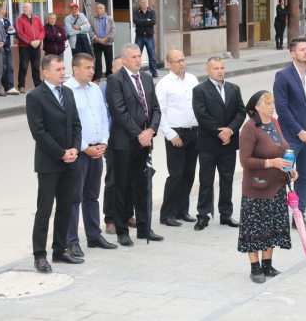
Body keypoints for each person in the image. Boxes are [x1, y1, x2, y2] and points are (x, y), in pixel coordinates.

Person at [26, 55, 83, 273]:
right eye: (58, 69)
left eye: (63, 68)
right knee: (44, 210)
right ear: (45, 72)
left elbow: (76, 124)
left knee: (65, 208)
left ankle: (59, 251)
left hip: (70, 161)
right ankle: (40, 256)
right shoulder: (35, 97)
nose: (62, 72)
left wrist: (75, 149)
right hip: (49, 164)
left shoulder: (67, 92)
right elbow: (39, 132)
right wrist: (61, 153)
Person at [105, 43, 163, 246]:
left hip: (145, 142)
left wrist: (151, 131)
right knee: (122, 187)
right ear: (123, 60)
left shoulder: (146, 78)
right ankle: (122, 230)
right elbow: (119, 112)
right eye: (133, 57)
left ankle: (144, 228)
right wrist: (140, 134)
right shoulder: (115, 80)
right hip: (123, 143)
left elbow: (155, 108)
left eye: (139, 56)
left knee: (143, 186)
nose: (138, 60)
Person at [238, 91, 299, 283]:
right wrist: (271, 163)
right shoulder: (250, 129)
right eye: (268, 103)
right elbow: (245, 161)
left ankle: (267, 265)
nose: (272, 106)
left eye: (273, 102)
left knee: (271, 227)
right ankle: (255, 268)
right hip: (256, 188)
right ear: (257, 106)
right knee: (254, 229)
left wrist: (290, 170)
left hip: (276, 187)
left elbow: (282, 151)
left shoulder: (274, 123)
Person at [63, 53, 117, 257]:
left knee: (92, 196)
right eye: (87, 67)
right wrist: (85, 147)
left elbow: (104, 118)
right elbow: (68, 126)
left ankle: (94, 236)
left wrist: (104, 142)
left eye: (93, 67)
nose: (92, 71)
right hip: (80, 152)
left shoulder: (95, 89)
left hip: (98, 149)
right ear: (75, 69)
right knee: (74, 198)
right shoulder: (67, 91)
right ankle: (72, 241)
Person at [273, 37, 306, 232]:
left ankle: (298, 217)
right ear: (293, 54)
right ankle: (277, 218)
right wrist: (300, 132)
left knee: (305, 177)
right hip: (291, 138)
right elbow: (282, 109)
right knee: (283, 176)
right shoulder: (283, 76)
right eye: (302, 49)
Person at [192, 56, 246, 231]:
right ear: (208, 71)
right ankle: (203, 215)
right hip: (208, 143)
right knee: (206, 180)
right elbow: (202, 115)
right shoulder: (200, 90)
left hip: (228, 143)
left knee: (227, 179)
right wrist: (220, 132)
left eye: (222, 68)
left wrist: (230, 130)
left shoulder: (234, 88)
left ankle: (226, 214)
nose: (220, 71)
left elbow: (241, 112)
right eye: (215, 68)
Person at [156, 50, 199, 227]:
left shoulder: (193, 79)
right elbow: (159, 112)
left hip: (194, 132)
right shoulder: (163, 84)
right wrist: (170, 134)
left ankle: (182, 210)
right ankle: (166, 214)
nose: (182, 63)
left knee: (189, 174)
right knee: (176, 175)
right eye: (177, 61)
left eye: (183, 59)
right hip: (176, 133)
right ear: (169, 64)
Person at [101, 57, 137, 234]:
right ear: (114, 71)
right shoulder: (105, 88)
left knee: (129, 179)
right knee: (113, 180)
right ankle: (110, 218)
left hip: (131, 140)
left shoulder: (132, 85)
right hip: (113, 140)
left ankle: (127, 214)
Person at [15, 2, 45, 93]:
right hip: (25, 47)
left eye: (27, 7)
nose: (25, 9)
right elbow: (20, 33)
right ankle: (21, 86)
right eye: (24, 7)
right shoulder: (19, 19)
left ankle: (38, 85)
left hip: (36, 46)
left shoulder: (37, 19)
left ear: (31, 9)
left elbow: (42, 31)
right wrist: (30, 42)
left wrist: (38, 41)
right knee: (23, 67)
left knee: (36, 67)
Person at [89, 4, 116, 83]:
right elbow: (90, 30)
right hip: (97, 43)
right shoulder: (92, 19)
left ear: (104, 10)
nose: (98, 9)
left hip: (107, 42)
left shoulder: (109, 19)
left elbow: (113, 30)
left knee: (109, 60)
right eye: (97, 8)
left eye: (100, 8)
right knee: (97, 60)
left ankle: (109, 76)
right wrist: (96, 38)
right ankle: (97, 77)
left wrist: (107, 38)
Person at [0, 4, 19, 95]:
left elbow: (10, 32)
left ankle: (10, 86)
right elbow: (4, 32)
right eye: (5, 9)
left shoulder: (6, 20)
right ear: (1, 10)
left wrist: (4, 40)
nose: (6, 11)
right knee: (1, 68)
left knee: (9, 67)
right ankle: (5, 87)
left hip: (6, 46)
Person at [133, 0, 158, 78]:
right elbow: (136, 21)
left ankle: (154, 72)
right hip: (139, 37)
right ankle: (138, 71)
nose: (144, 3)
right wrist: (147, 20)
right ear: (139, 3)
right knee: (137, 55)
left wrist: (142, 21)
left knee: (152, 55)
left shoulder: (152, 12)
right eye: (142, 2)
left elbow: (153, 22)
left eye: (145, 2)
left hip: (149, 36)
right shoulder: (136, 12)